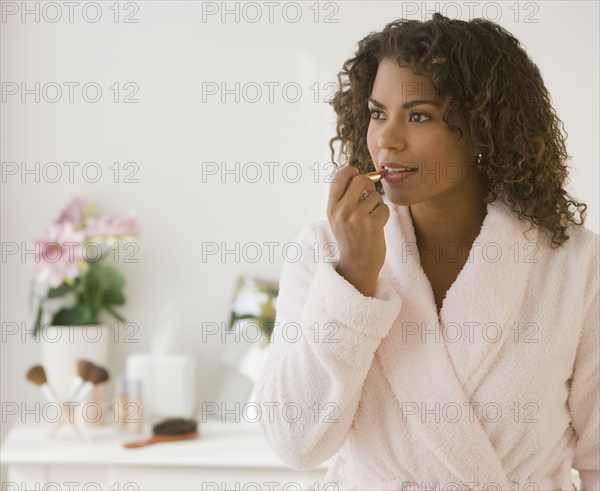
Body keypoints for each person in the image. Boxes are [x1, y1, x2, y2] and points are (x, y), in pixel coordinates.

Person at [254, 13, 599, 490]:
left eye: (419, 116)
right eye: (377, 113)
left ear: (483, 128)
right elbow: (295, 445)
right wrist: (352, 278)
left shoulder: (575, 264)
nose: (386, 140)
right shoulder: (323, 251)